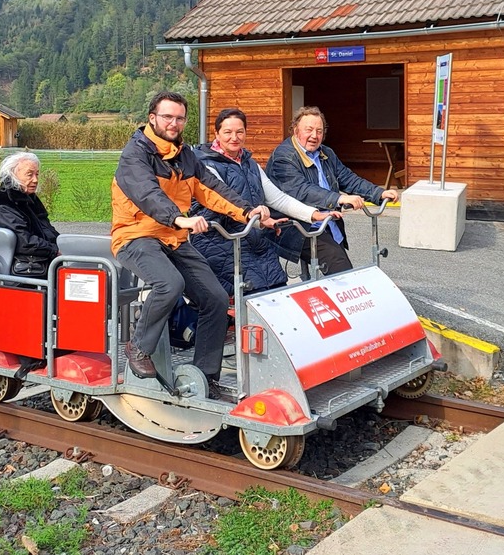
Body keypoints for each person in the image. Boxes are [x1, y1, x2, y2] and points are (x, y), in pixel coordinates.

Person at [111, 91, 276, 384]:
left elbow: (211, 189)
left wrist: (247, 212)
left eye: (179, 118)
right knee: (169, 284)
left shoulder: (186, 155)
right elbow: (147, 194)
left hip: (174, 237)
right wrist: (178, 218)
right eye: (167, 117)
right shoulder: (135, 154)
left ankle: (205, 374)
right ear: (152, 118)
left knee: (214, 297)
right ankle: (139, 347)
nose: (174, 123)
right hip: (136, 236)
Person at [192, 107, 341, 295]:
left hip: (253, 240)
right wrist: (259, 219)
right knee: (253, 292)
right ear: (216, 134)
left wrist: (314, 214)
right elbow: (226, 201)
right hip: (221, 242)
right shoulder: (205, 164)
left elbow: (277, 198)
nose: (234, 137)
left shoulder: (249, 163)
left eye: (240, 132)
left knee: (278, 290)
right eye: (228, 132)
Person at [267, 106, 399, 277]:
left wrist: (378, 193)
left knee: (340, 268)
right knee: (341, 271)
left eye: (319, 131)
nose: (314, 136)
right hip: (297, 227)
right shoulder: (284, 157)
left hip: (325, 222)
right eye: (309, 130)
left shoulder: (326, 153)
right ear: (295, 130)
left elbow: (348, 178)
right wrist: (339, 199)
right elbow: (301, 190)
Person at [0, 151, 60, 276]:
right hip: (25, 268)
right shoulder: (2, 204)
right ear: (12, 175)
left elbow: (47, 229)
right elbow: (23, 241)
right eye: (29, 174)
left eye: (37, 174)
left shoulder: (28, 198)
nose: (35, 180)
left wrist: (64, 244)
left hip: (38, 262)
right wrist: (55, 250)